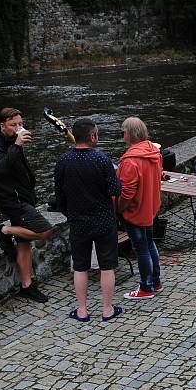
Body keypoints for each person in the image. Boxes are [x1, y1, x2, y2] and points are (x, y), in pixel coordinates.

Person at [54, 118, 123, 322]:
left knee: (80, 266)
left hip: (78, 222)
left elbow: (59, 196)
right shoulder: (101, 159)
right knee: (107, 266)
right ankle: (107, 309)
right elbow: (115, 190)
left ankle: (82, 310)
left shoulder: (63, 161)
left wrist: (71, 214)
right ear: (92, 136)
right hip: (103, 220)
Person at [0, 107, 53, 303]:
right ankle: (4, 231)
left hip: (23, 196)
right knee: (45, 231)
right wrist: (16, 144)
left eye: (20, 124)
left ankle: (26, 286)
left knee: (24, 244)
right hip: (12, 201)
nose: (18, 128)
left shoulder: (11, 141)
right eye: (14, 125)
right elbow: (0, 168)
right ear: (2, 125)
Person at [118, 117, 164, 300]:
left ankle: (146, 287)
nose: (122, 135)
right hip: (150, 208)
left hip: (135, 211)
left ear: (129, 134)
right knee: (149, 243)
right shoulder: (154, 152)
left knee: (141, 248)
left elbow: (127, 192)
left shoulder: (131, 160)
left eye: (122, 132)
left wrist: (120, 208)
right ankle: (156, 281)